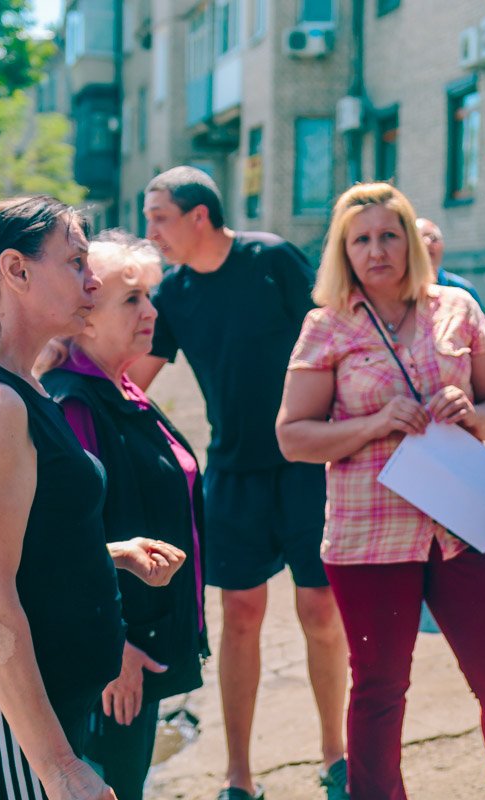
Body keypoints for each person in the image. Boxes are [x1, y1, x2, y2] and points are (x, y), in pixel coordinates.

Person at [276, 182, 485, 800]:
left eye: (388, 235)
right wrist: (376, 423)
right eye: (361, 239)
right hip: (367, 537)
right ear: (343, 252)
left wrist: (470, 413)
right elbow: (293, 437)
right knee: (379, 690)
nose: (376, 250)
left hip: (458, 525)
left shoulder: (457, 307)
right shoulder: (327, 325)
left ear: (411, 240)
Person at [0, 196, 187, 799]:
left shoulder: (19, 382)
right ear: (16, 271)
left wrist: (108, 553)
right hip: (17, 726)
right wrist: (60, 768)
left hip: (48, 705)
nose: (92, 280)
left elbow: (30, 543)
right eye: (76, 262)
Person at [128, 166, 348, 800]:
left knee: (319, 610)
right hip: (233, 473)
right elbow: (134, 379)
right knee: (241, 615)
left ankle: (335, 754)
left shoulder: (272, 258)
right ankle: (239, 776)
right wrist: (67, 364)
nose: (152, 234)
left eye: (159, 218)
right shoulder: (172, 295)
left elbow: (332, 333)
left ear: (200, 216)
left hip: (307, 464)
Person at [37, 231, 210, 800]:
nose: (152, 311)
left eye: (149, 296)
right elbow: (63, 544)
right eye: (131, 299)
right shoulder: (74, 403)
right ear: (84, 318)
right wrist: (115, 648)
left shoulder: (124, 389)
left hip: (146, 646)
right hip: (113, 663)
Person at [415, 217, 485, 309]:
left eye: (433, 238)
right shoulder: (401, 291)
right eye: (419, 239)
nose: (427, 242)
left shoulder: (462, 290)